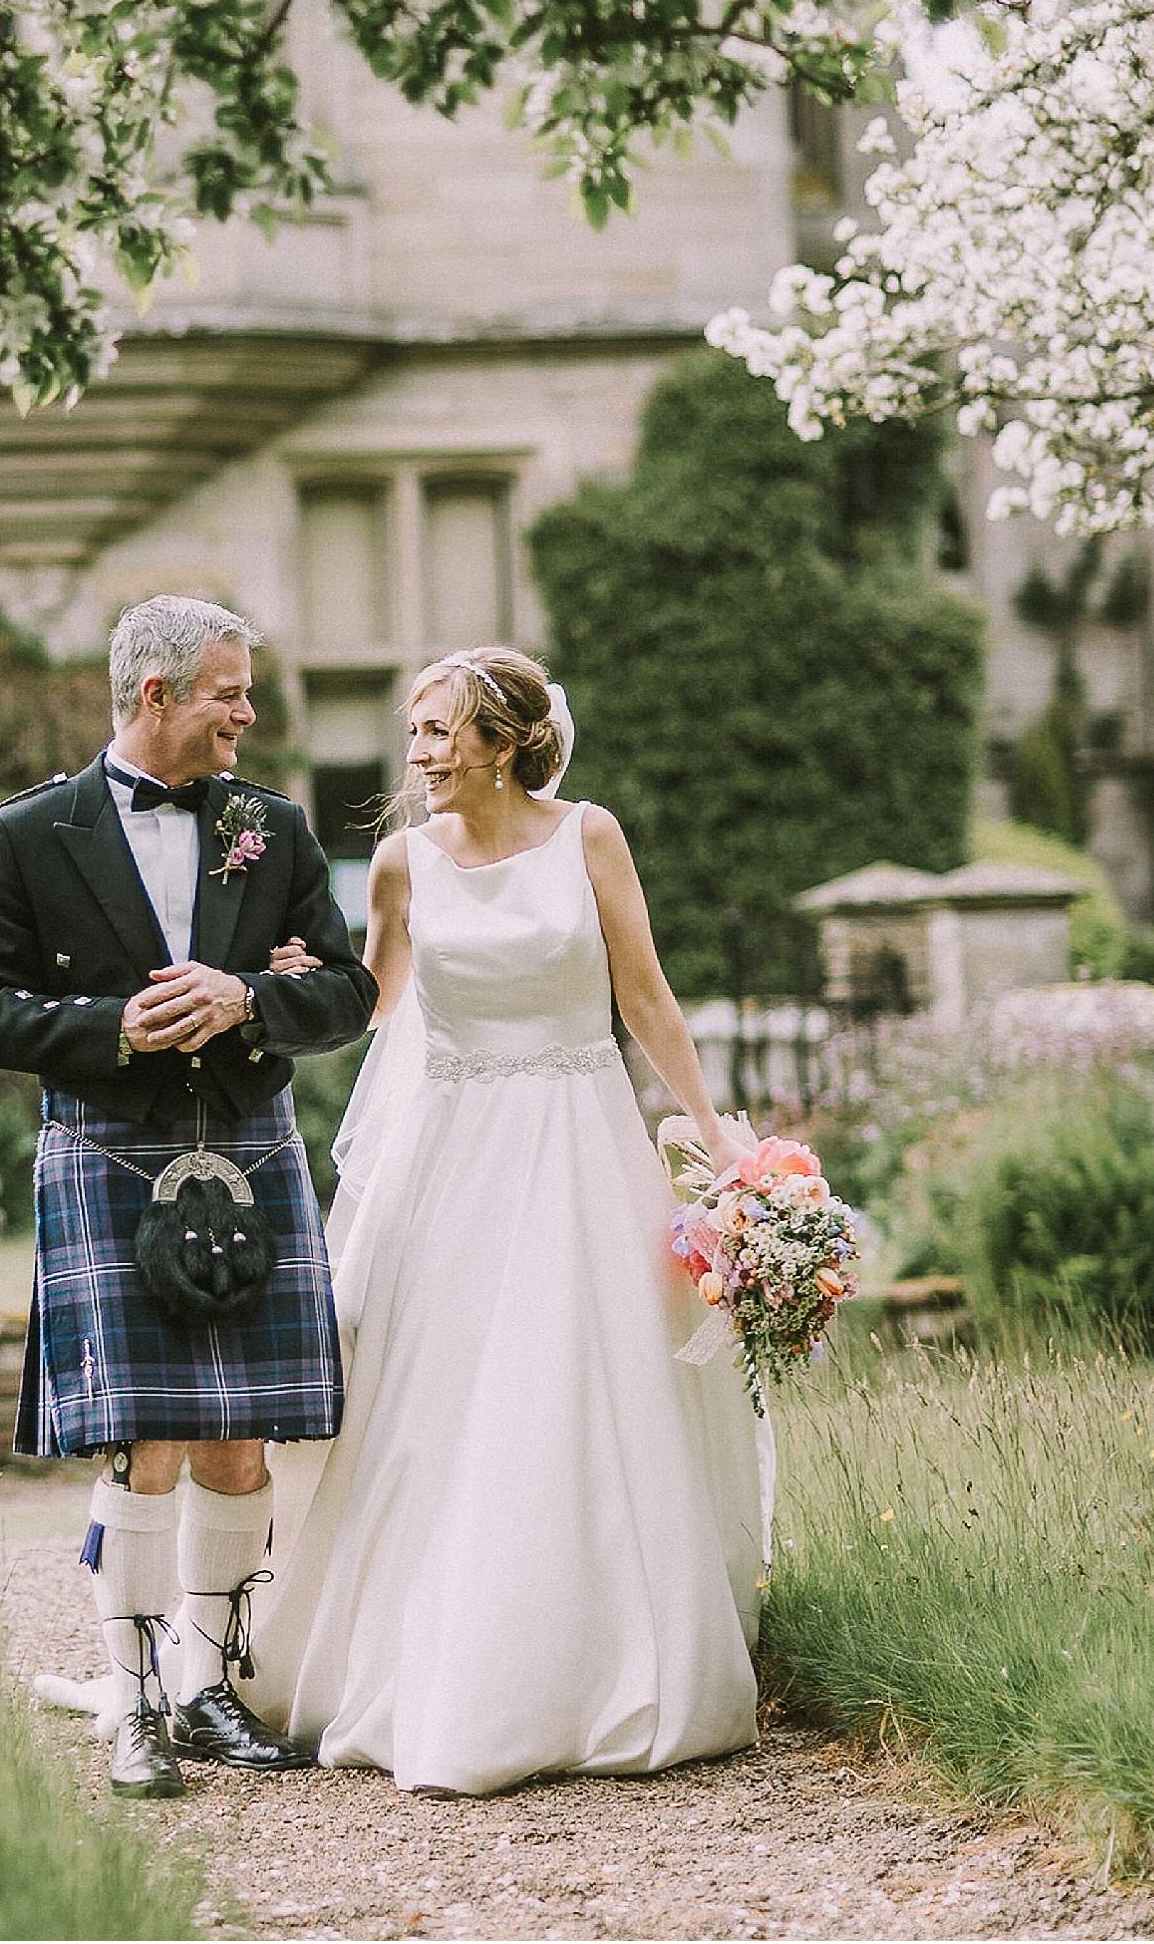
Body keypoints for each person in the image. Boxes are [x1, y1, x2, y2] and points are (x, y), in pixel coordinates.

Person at [247, 645, 771, 1797]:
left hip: (580, 1142)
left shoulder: (590, 834)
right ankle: (443, 1668)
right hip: (454, 1159)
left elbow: (643, 996)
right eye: (414, 730)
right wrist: (292, 977)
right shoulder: (397, 863)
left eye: (439, 730)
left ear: (501, 740)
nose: (418, 752)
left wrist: (719, 1143)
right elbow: (372, 1005)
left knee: (586, 1385)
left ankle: (607, 1666)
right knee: (448, 1403)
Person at [0, 594, 376, 1799]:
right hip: (110, 1150)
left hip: (248, 1145)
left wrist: (251, 998)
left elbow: (348, 990)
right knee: (143, 1445)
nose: (248, 710)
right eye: (227, 691)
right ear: (156, 695)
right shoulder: (32, 831)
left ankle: (203, 1688)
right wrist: (113, 1027)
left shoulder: (271, 826)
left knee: (239, 1439)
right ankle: (129, 1698)